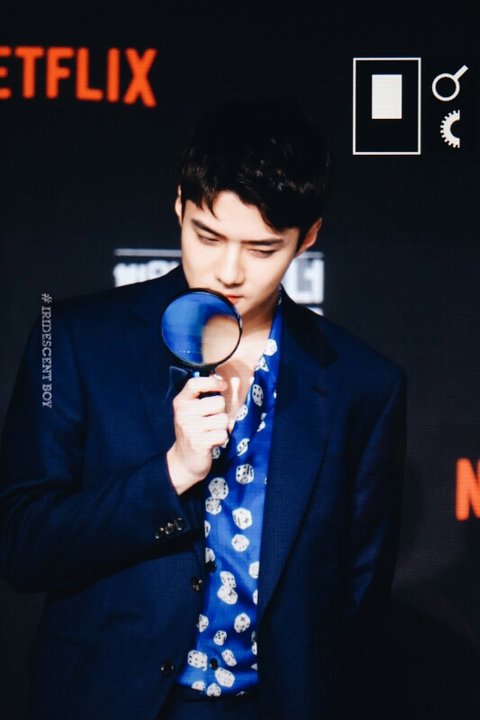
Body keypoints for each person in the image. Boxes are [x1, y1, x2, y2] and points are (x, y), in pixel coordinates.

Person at [0, 99, 406, 720]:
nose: (228, 271)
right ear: (179, 207)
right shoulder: (75, 340)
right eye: (207, 236)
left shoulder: (363, 384)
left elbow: (359, 595)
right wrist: (172, 473)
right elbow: (24, 546)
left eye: (262, 249)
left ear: (308, 237)